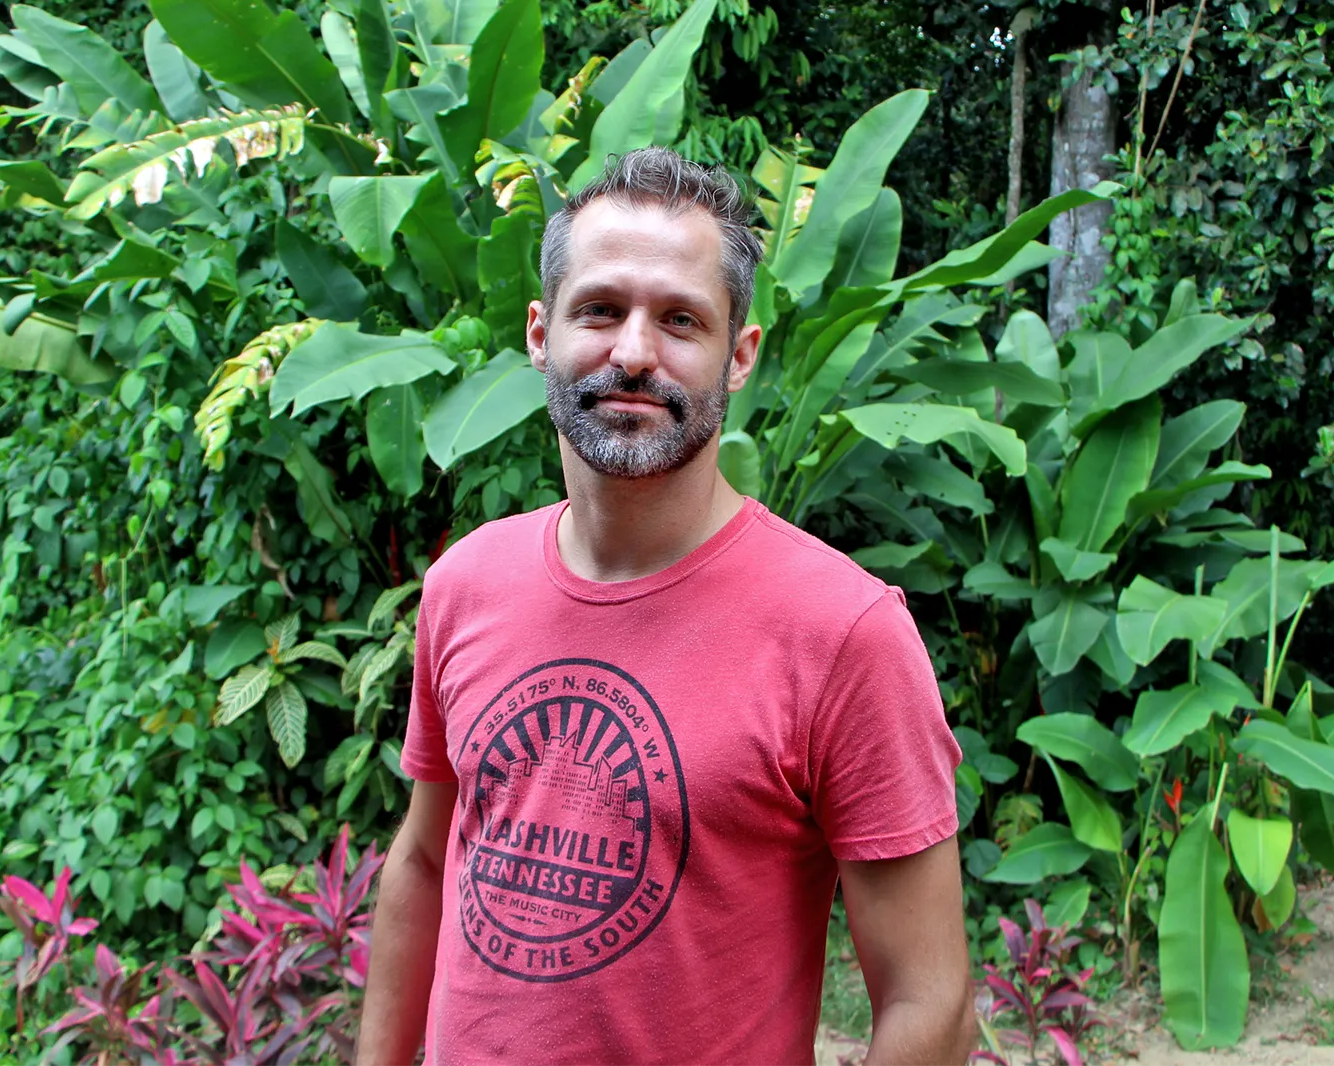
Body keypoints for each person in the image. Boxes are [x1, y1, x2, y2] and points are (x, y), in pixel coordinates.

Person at [354, 147, 974, 1066]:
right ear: (539, 333)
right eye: (600, 309)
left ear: (740, 356)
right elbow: (424, 860)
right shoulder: (464, 584)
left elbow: (931, 1000)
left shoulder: (844, 634)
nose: (635, 352)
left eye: (681, 320)